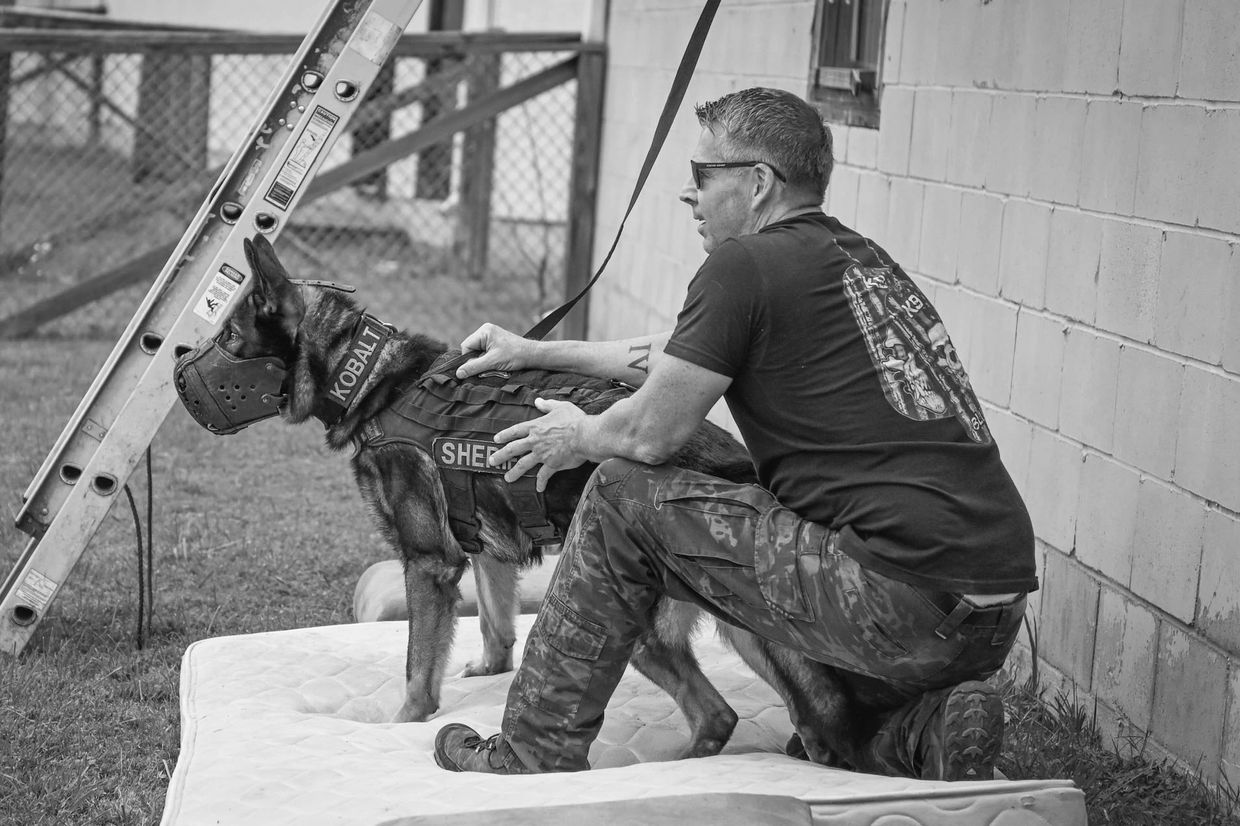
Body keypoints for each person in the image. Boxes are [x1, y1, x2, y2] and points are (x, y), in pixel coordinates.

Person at [432, 87, 1036, 781]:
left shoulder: (742, 265)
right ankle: (930, 731)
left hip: (889, 593)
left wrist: (580, 433)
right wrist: (536, 352)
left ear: (758, 183)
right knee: (828, 711)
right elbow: (676, 355)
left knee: (620, 493)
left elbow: (652, 434)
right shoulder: (854, 259)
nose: (688, 194)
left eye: (702, 174)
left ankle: (530, 751)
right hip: (984, 613)